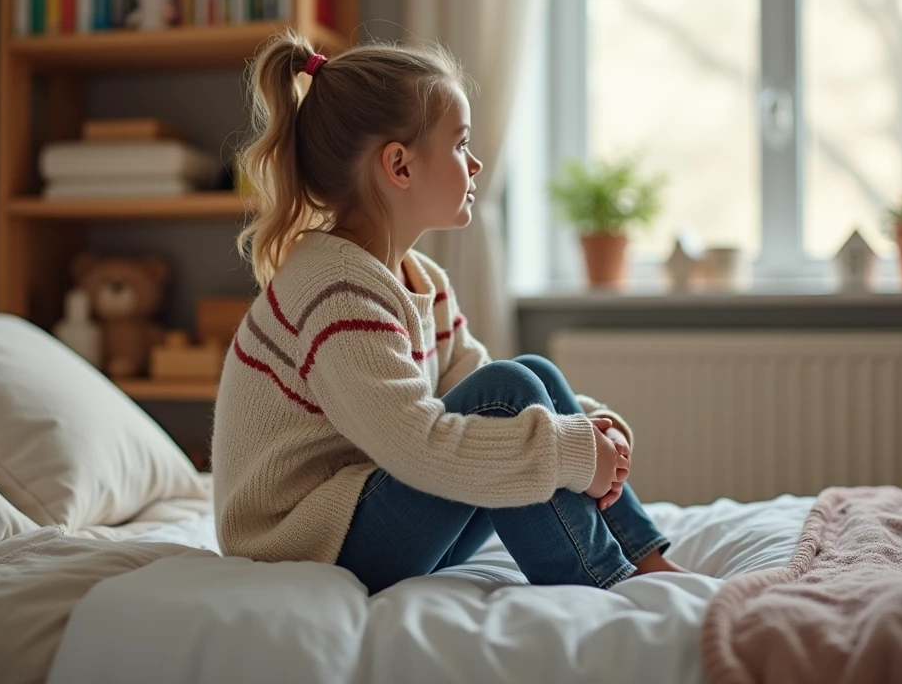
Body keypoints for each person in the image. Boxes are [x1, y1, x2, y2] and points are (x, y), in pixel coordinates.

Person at [212, 30, 684, 595]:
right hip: (305, 541)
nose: (477, 161)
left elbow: (477, 384)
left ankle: (644, 559)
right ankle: (605, 582)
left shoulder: (420, 279)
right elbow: (421, 443)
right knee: (510, 388)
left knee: (527, 374)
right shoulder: (334, 292)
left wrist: (591, 430)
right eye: (460, 144)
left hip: (369, 508)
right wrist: (574, 451)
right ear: (400, 166)